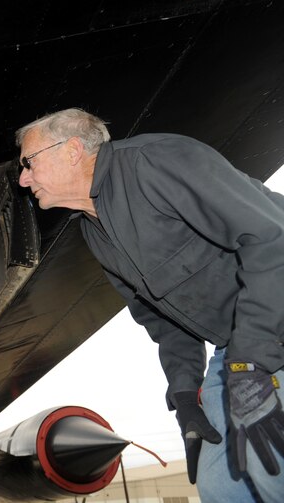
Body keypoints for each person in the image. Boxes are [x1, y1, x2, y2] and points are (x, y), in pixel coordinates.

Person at [15, 108, 284, 502]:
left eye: (29, 162)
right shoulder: (94, 228)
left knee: (268, 465)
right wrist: (185, 395)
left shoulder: (157, 161)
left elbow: (271, 240)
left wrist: (252, 362)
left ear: (72, 150)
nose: (23, 179)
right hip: (238, 347)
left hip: (268, 325)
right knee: (221, 485)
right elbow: (161, 319)